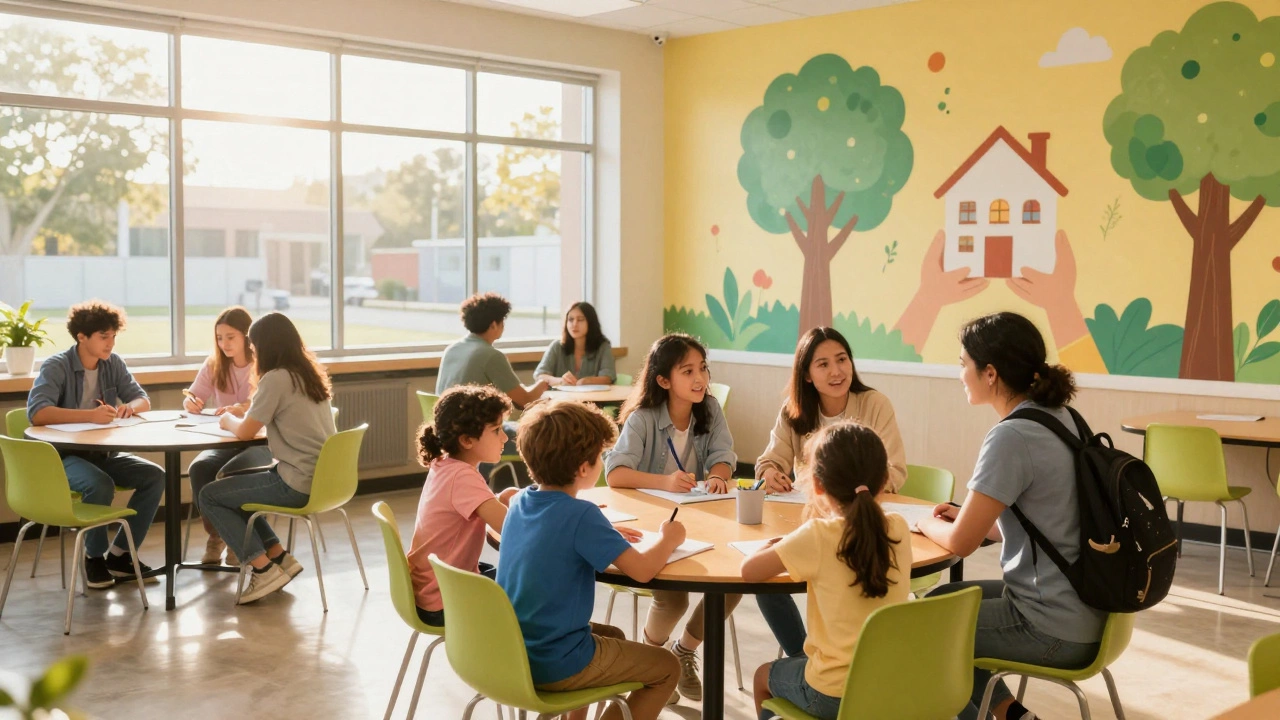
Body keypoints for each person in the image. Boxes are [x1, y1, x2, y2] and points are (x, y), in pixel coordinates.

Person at [917, 312, 1107, 720]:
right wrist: (972, 517)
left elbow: (961, 543)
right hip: (1092, 612)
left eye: (963, 364)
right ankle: (1012, 716)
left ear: (990, 373)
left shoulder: (1012, 436)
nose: (959, 374)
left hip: (1050, 626)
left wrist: (920, 521)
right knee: (940, 601)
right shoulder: (1064, 418)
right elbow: (1053, 523)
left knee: (920, 631)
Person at [497, 399, 682, 720]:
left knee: (615, 637)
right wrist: (669, 538)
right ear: (584, 468)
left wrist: (601, 530)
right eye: (600, 456)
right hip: (555, 661)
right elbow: (642, 570)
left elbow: (558, 531)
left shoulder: (519, 502)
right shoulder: (581, 515)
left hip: (514, 650)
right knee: (666, 667)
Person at [753, 326, 908, 656]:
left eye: (842, 360)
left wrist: (848, 490)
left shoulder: (874, 404)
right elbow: (769, 461)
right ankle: (801, 658)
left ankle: (811, 668)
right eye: (823, 364)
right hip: (804, 521)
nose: (836, 371)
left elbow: (894, 472)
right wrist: (769, 473)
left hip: (861, 522)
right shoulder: (793, 412)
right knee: (768, 585)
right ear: (806, 375)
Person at [742, 422, 912, 720]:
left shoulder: (818, 535)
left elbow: (750, 572)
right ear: (884, 481)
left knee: (761, 677)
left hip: (833, 692)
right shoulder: (898, 527)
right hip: (892, 686)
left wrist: (772, 544)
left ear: (818, 486)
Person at [604, 333, 739, 703]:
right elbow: (616, 473)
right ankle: (653, 661)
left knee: (733, 583)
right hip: (652, 529)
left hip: (700, 521)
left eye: (703, 369)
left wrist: (718, 475)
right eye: (688, 371)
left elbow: (724, 453)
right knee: (673, 601)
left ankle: (683, 650)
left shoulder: (709, 410)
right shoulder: (643, 419)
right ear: (664, 380)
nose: (700, 379)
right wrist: (663, 481)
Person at [27, 300, 165, 589]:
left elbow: (143, 399)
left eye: (114, 336)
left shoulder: (112, 363)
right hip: (63, 458)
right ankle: (94, 558)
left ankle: (120, 555)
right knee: (100, 484)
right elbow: (38, 413)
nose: (111, 343)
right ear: (81, 336)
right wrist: (89, 416)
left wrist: (130, 407)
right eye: (104, 336)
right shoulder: (57, 366)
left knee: (154, 476)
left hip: (102, 454)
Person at [202, 312, 337, 604]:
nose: (253, 352)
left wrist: (227, 421)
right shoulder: (308, 375)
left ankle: (262, 569)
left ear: (266, 347)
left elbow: (246, 432)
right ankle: (279, 557)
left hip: (297, 482)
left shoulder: (276, 379)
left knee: (210, 496)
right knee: (238, 491)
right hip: (324, 480)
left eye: (254, 347)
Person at [406, 384, 519, 626]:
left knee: (507, 578)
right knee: (528, 590)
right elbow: (514, 530)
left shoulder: (444, 464)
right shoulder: (463, 477)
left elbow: (471, 509)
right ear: (467, 440)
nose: (505, 437)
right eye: (497, 430)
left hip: (429, 589)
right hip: (445, 600)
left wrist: (500, 499)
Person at [183, 306, 274, 566]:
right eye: (219, 338)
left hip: (259, 442)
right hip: (226, 441)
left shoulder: (262, 365)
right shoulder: (214, 363)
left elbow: (263, 408)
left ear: (247, 336)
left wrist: (242, 409)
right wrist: (191, 402)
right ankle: (218, 536)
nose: (224, 344)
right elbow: (193, 395)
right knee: (200, 467)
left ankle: (242, 539)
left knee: (232, 474)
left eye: (230, 337)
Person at [534, 301, 617, 387]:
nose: (574, 324)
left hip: (593, 399)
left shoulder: (603, 346)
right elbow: (540, 376)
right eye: (570, 320)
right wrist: (561, 381)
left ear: (591, 322)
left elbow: (608, 377)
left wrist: (585, 381)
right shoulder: (557, 346)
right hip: (561, 399)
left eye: (580, 320)